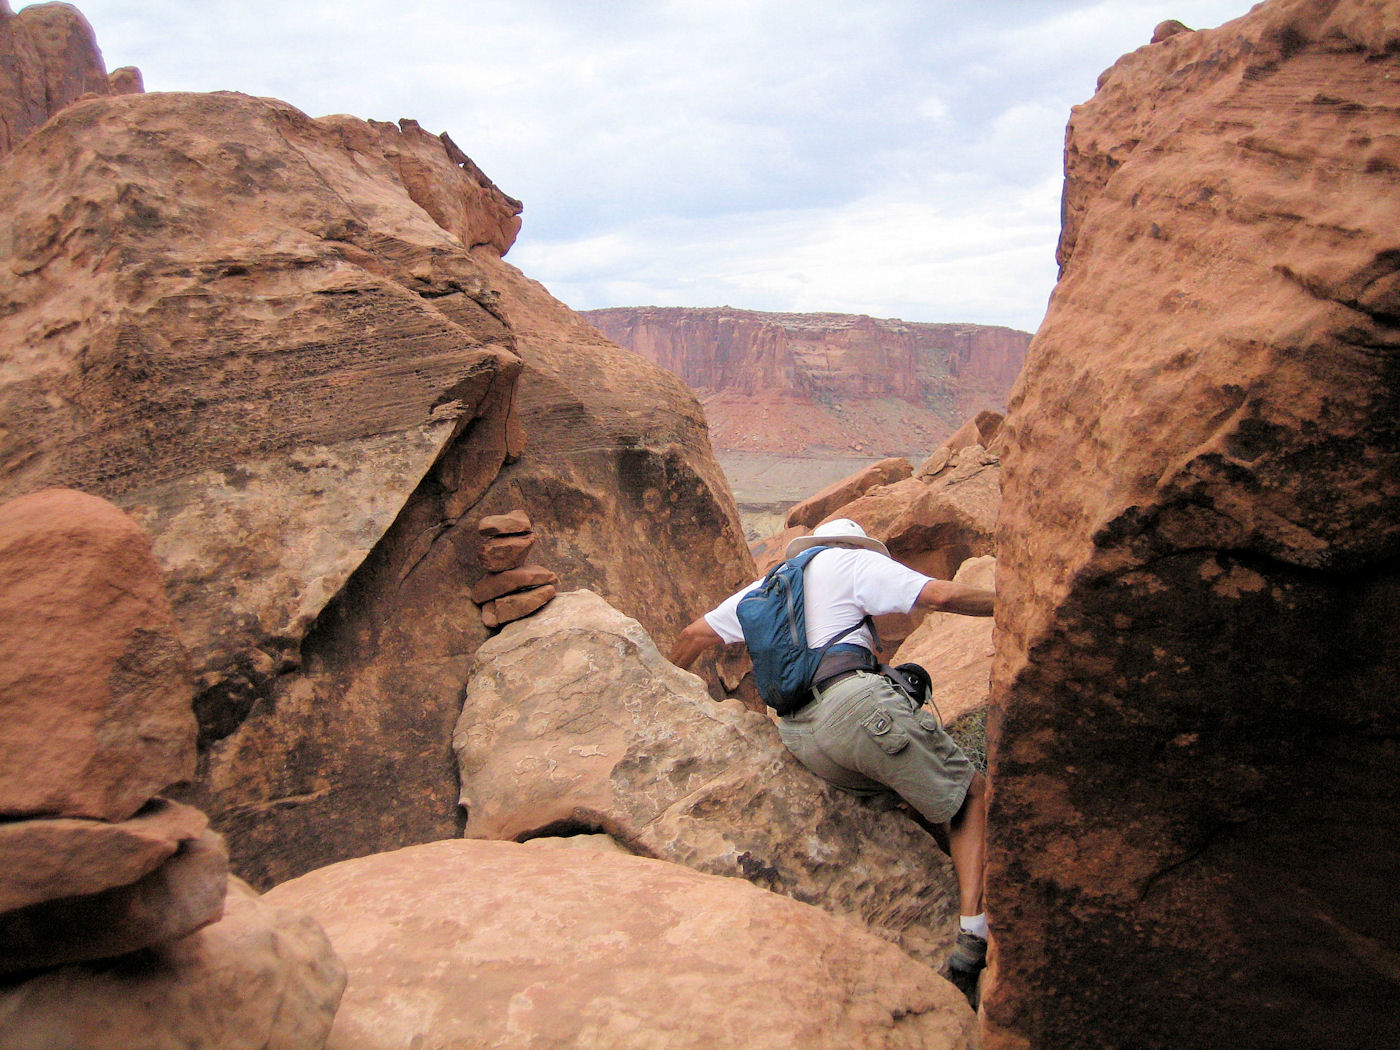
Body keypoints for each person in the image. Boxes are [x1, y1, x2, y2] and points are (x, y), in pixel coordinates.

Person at [668, 518, 995, 1002]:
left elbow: (694, 634)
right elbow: (940, 598)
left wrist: (664, 692)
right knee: (970, 796)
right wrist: (1019, 603)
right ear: (852, 545)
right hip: (856, 710)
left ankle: (943, 907)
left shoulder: (771, 585)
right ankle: (973, 936)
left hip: (803, 737)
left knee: (909, 797)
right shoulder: (851, 560)